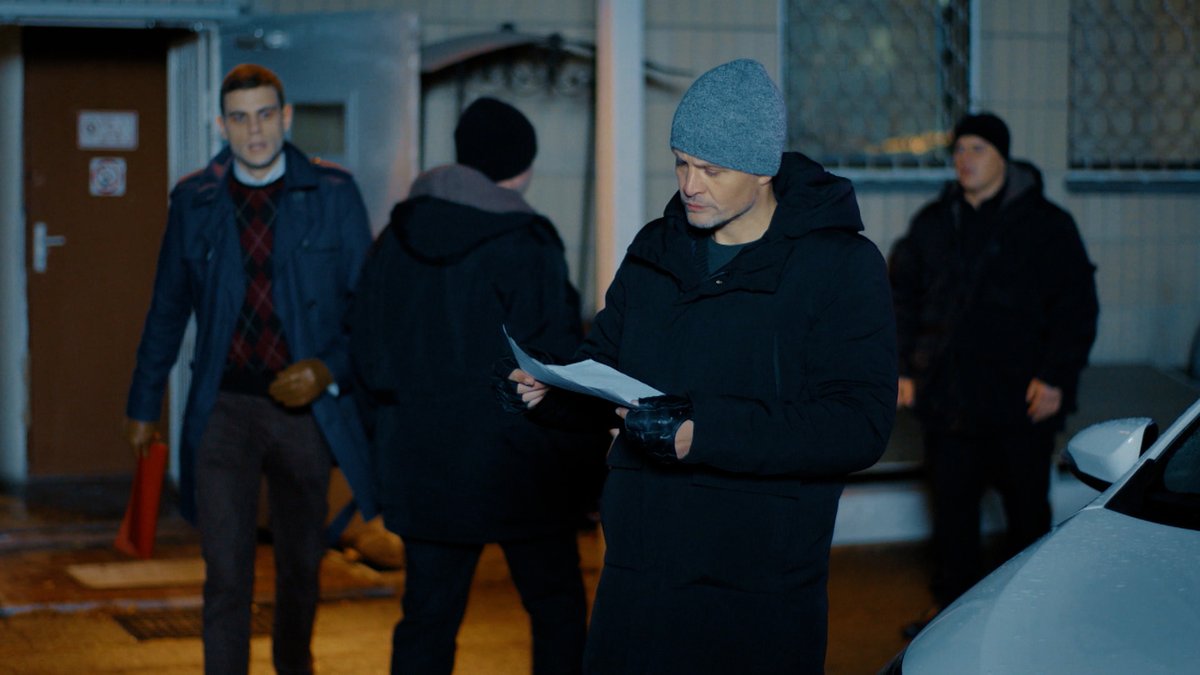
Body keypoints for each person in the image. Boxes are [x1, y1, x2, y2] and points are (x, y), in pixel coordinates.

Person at [505, 59, 897, 673]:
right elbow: (607, 366)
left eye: (712, 170)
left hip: (755, 580)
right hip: (641, 570)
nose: (690, 185)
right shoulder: (656, 249)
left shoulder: (839, 267)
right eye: (682, 163)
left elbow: (857, 423)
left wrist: (705, 430)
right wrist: (552, 391)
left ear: (763, 170)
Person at [123, 63, 376, 675]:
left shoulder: (333, 195)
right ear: (221, 125)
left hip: (303, 412)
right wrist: (143, 403)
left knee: (300, 567)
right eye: (239, 118)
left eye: (265, 115)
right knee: (225, 573)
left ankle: (294, 666)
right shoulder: (195, 201)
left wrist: (327, 370)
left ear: (286, 117)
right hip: (224, 409)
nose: (254, 130)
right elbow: (167, 308)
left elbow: (371, 312)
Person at [349, 97, 601, 674]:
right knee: (557, 609)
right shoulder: (528, 241)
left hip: (423, 466)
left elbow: (364, 350)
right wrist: (581, 468)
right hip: (520, 469)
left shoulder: (395, 237)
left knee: (428, 621)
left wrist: (387, 440)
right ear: (522, 165)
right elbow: (556, 365)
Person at [888, 112, 1099, 627]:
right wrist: (903, 369)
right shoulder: (935, 223)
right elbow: (902, 299)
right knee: (952, 514)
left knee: (1027, 515)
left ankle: (1029, 616)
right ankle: (951, 616)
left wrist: (1056, 377)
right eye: (959, 149)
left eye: (977, 149)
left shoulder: (1047, 225)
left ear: (1002, 157)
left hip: (1019, 403)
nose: (965, 159)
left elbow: (1076, 306)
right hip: (950, 401)